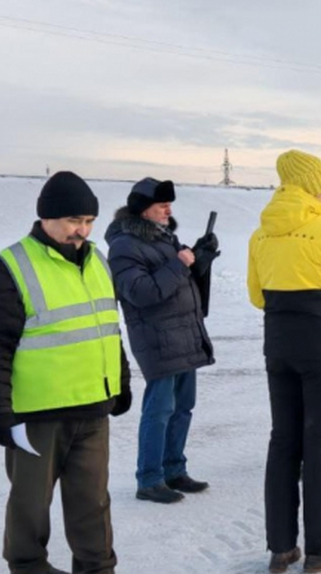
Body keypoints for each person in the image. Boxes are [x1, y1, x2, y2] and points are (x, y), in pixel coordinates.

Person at [0, 171, 133, 574]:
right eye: (72, 220)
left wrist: (119, 381)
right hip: (36, 411)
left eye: (89, 220)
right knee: (30, 497)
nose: (81, 230)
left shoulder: (97, 260)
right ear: (45, 218)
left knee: (92, 498)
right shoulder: (10, 267)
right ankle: (27, 569)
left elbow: (106, 326)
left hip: (91, 404)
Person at [246, 150, 321, 574]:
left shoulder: (261, 234)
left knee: (283, 441)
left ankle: (281, 547)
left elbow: (257, 295)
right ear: (313, 189)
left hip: (279, 347)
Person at [105, 177, 219, 504]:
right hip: (157, 338)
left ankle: (174, 470)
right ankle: (149, 478)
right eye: (161, 205)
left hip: (184, 333)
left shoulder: (165, 238)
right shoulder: (125, 245)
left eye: (169, 204)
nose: (168, 209)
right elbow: (141, 293)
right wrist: (178, 263)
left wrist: (200, 257)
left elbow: (180, 281)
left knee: (183, 408)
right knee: (160, 410)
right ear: (143, 210)